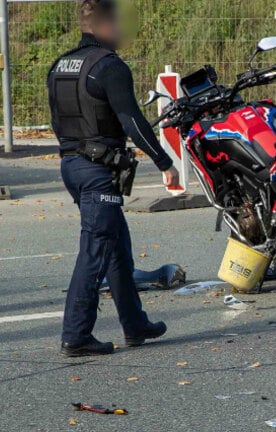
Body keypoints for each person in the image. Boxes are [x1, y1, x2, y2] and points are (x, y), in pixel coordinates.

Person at [48, 0, 179, 357]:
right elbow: (132, 120)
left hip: (71, 166)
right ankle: (76, 335)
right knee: (96, 248)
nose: (122, 30)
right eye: (118, 23)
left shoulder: (60, 66)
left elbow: (58, 121)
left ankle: (135, 325)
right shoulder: (109, 67)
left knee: (115, 243)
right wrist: (163, 160)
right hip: (97, 171)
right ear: (104, 25)